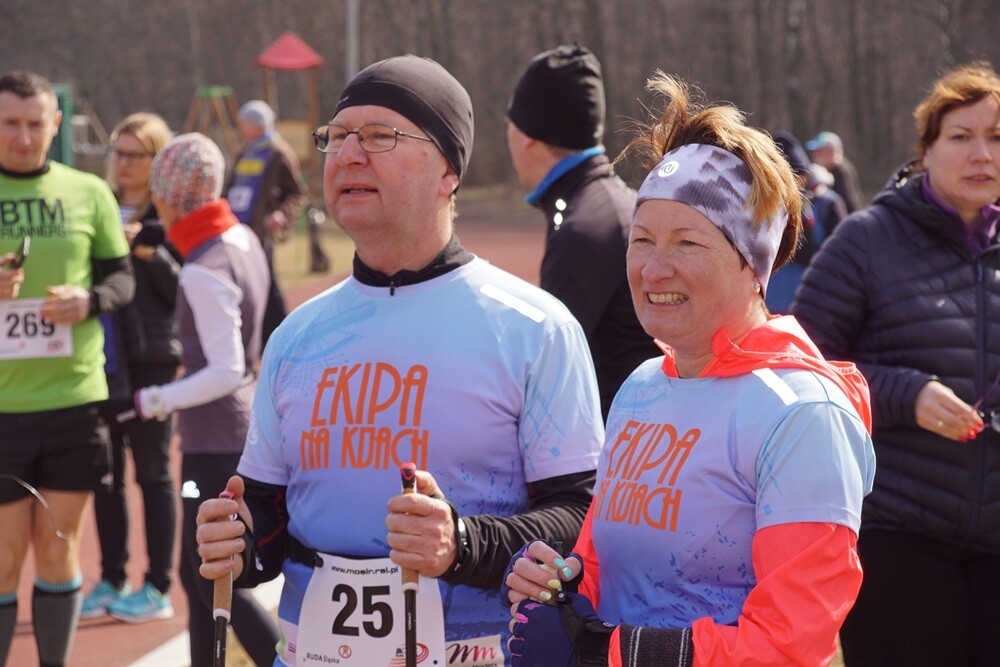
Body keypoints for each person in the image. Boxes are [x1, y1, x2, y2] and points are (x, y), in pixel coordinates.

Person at [195, 54, 605, 666]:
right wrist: (240, 540)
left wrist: (462, 545)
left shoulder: (533, 327)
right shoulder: (297, 335)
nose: (349, 154)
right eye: (336, 138)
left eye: (380, 136)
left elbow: (582, 516)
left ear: (449, 170)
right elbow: (267, 509)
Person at [502, 72, 876, 667]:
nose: (653, 270)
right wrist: (560, 589)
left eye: (687, 244)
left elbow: (790, 642)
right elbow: (603, 567)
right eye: (642, 239)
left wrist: (604, 652)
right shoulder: (643, 387)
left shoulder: (803, 415)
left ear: (752, 263)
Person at [791, 62, 1000, 667]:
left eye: (996, 137)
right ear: (925, 150)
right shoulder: (866, 239)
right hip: (900, 534)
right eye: (961, 137)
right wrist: (904, 395)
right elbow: (801, 368)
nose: (982, 153)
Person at [0, 70, 134, 666]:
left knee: (59, 553)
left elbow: (122, 276)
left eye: (34, 123)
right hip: (4, 410)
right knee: (3, 560)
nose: (23, 137)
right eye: (10, 123)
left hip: (75, 402)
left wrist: (90, 303)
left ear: (55, 125)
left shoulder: (88, 193)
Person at [136, 132, 279, 665]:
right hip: (230, 431)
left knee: (214, 578)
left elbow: (225, 368)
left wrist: (156, 398)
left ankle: (282, 660)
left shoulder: (202, 267)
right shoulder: (240, 238)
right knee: (198, 574)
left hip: (216, 438)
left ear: (170, 196)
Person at [506, 44, 654, 418]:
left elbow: (541, 371)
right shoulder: (609, 203)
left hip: (617, 451)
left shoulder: (583, 227)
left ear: (526, 134)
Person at [79, 112, 183, 623]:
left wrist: (149, 251)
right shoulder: (97, 206)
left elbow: (185, 291)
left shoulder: (171, 214)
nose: (122, 163)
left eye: (134, 154)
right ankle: (111, 576)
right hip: (102, 357)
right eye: (117, 153)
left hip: (152, 360)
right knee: (106, 474)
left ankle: (158, 588)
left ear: (157, 160)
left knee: (155, 474)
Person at [225, 100, 306, 348]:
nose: (240, 129)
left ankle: (280, 336)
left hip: (260, 231)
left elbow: (297, 193)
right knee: (241, 281)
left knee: (265, 281)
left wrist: (281, 214)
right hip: (235, 228)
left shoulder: (278, 153)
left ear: (258, 125)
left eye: (244, 124)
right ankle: (250, 336)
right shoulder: (244, 151)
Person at [764, 130, 826, 313]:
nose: (798, 184)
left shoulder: (825, 203)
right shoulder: (759, 209)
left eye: (801, 178)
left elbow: (834, 253)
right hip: (769, 303)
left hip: (809, 302)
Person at [805, 130, 865, 213]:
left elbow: (848, 201)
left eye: (819, 151)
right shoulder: (833, 169)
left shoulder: (839, 170)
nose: (815, 155)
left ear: (831, 151)